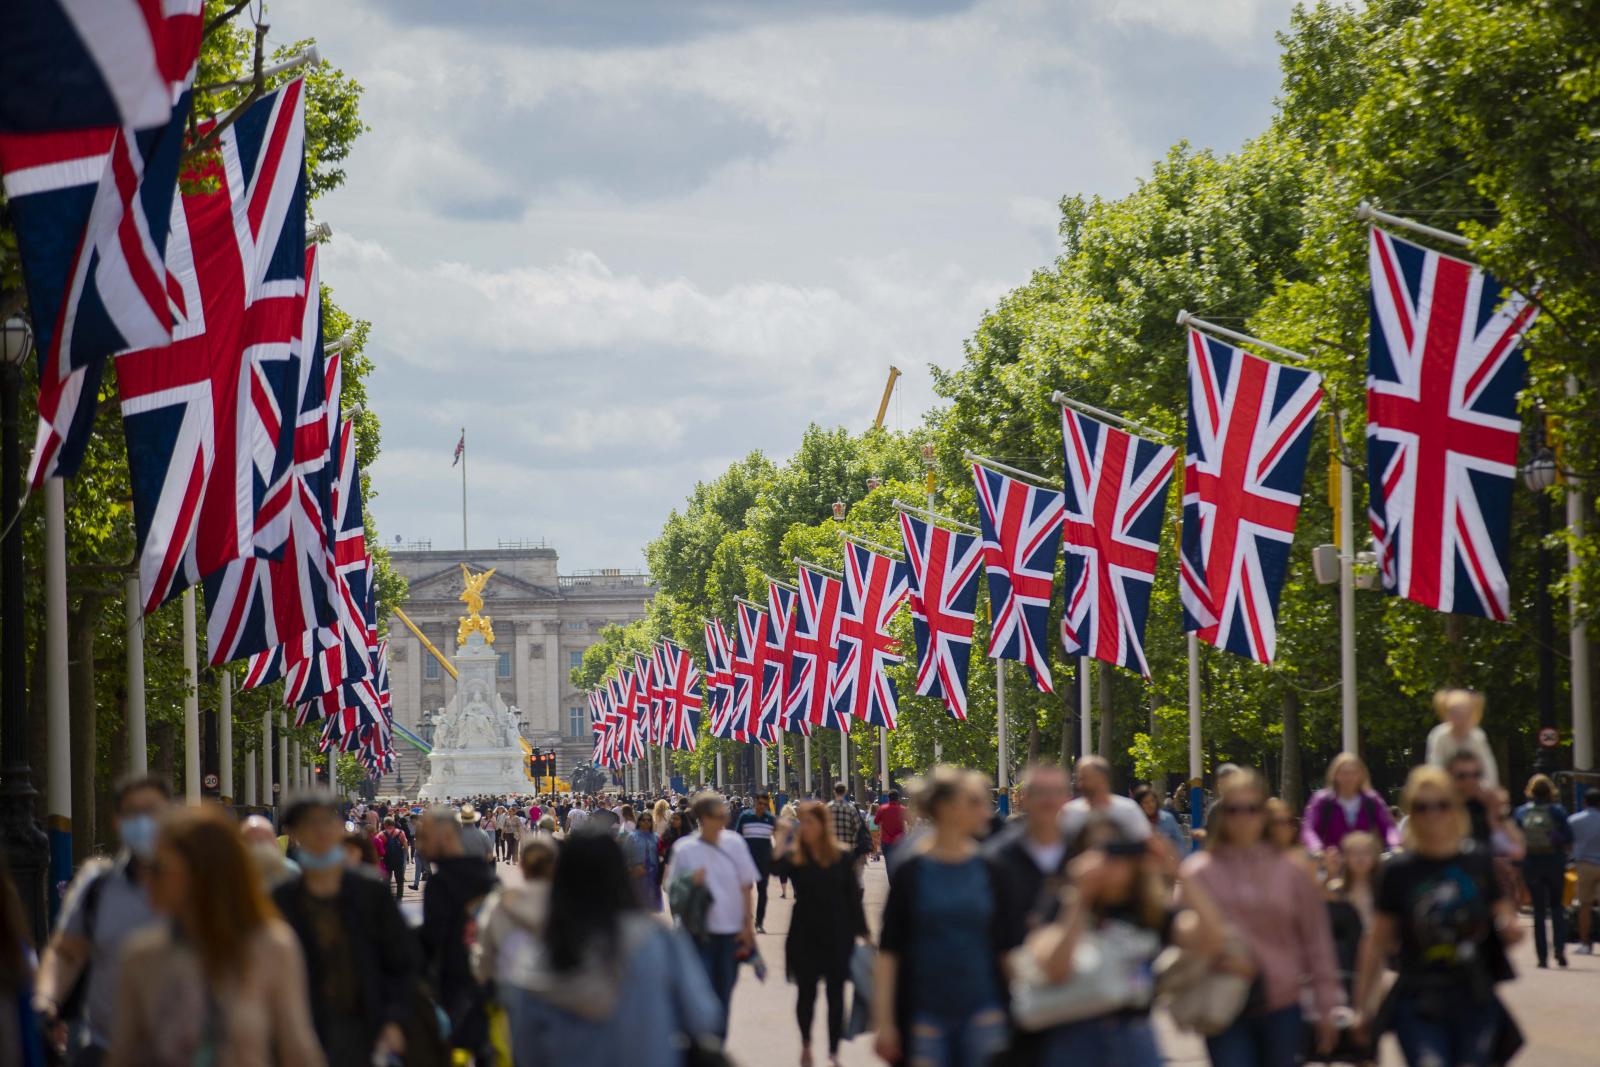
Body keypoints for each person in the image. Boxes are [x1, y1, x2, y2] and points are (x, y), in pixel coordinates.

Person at [105, 805, 325, 1067]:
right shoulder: (140, 957)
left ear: (200, 870)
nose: (146, 878)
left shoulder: (272, 947)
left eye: (157, 868)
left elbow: (297, 1049)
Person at [1355, 765, 1522, 1067]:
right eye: (1422, 807)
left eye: (1442, 805)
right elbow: (1376, 942)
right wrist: (1362, 1006)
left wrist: (1510, 929)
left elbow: (1504, 914)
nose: (1433, 814)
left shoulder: (1477, 860)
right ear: (1411, 813)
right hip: (1419, 999)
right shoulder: (1398, 871)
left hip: (1473, 996)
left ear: (1455, 809)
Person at [510, 832, 723, 1065]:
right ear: (620, 875)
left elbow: (525, 1052)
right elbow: (703, 1017)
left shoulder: (536, 955)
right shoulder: (657, 940)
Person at [1023, 822, 1223, 1065]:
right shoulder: (1063, 901)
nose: (1111, 865)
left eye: (1119, 853)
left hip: (1133, 1036)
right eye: (1101, 852)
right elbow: (1055, 969)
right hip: (1074, 1035)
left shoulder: (1148, 911)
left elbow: (1212, 939)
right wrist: (1080, 896)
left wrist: (1178, 871)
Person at [1179, 769, 1342, 1066]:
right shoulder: (1199, 872)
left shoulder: (1289, 871)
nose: (1243, 818)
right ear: (1221, 814)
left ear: (1264, 814)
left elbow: (1316, 940)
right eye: (1233, 809)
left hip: (1282, 1002)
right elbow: (1179, 934)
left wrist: (1327, 1004)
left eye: (1252, 809)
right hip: (1224, 1000)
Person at [874, 767, 1014, 1067]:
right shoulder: (911, 872)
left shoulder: (991, 869)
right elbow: (889, 951)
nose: (984, 811)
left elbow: (1005, 944)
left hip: (984, 1011)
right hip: (925, 1014)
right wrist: (885, 1022)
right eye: (973, 802)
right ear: (948, 809)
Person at [34, 774, 171, 1066]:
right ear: (117, 822)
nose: (144, 821)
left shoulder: (200, 886)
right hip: (105, 1050)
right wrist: (46, 1000)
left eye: (152, 811)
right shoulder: (97, 886)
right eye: (133, 813)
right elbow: (66, 953)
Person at [272, 794, 418, 1065]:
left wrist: (396, 1020)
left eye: (328, 822)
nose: (321, 831)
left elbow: (400, 960)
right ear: (293, 833)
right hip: (302, 1028)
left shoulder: (371, 891)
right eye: (310, 824)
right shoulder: (281, 899)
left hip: (364, 1023)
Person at [772, 801, 867, 1067]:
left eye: (810, 822)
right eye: (803, 822)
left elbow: (853, 900)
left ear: (823, 824)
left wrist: (865, 933)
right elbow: (774, 868)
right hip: (804, 933)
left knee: (836, 995)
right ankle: (806, 1044)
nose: (806, 827)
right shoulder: (796, 857)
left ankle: (834, 1051)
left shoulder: (843, 857)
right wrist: (780, 838)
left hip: (838, 933)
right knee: (807, 994)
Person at [664, 791, 759, 1038]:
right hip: (697, 934)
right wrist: (689, 880)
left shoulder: (735, 844)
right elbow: (671, 889)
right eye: (719, 816)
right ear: (703, 818)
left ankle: (716, 1047)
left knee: (723, 996)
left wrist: (748, 927)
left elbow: (746, 886)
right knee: (700, 997)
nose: (725, 820)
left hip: (730, 935)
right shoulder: (685, 849)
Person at [417, 805, 498, 1059]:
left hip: (455, 985)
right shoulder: (489, 880)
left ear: (446, 836)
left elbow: (434, 938)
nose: (419, 845)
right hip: (488, 985)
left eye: (424, 837)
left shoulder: (440, 884)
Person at [985, 763, 1072, 949]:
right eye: (1040, 792)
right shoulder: (997, 857)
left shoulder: (1082, 852)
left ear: (1067, 798)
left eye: (1057, 792)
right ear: (1024, 798)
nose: (1049, 800)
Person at [1513, 773, 1571, 968]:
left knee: (1538, 911)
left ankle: (1541, 957)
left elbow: (1515, 839)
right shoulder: (1557, 811)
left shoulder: (1521, 812)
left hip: (1531, 865)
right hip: (1554, 863)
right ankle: (1560, 949)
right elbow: (1568, 837)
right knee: (1557, 907)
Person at [1300, 752, 1401, 854]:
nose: (1349, 777)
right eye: (1344, 773)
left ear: (1361, 775)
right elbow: (1309, 829)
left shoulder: (1371, 800)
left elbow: (1388, 828)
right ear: (1334, 775)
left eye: (1354, 773)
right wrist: (1316, 848)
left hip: (1364, 862)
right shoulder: (1322, 800)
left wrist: (1395, 845)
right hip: (1332, 862)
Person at [1060, 756, 1150, 846]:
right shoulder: (1069, 812)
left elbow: (1146, 845)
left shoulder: (1128, 810)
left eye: (1085, 778)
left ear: (1102, 778)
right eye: (1080, 779)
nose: (1080, 784)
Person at [1425, 689, 1500, 789]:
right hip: (1446, 787)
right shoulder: (1439, 735)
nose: (1460, 718)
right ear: (1446, 714)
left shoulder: (1477, 735)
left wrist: (1486, 789)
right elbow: (1434, 766)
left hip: (1474, 787)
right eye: (1455, 713)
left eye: (1464, 713)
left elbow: (1488, 767)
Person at [733, 792, 777, 932]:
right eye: (760, 803)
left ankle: (759, 923)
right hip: (746, 860)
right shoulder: (745, 817)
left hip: (764, 861)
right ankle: (745, 918)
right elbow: (737, 837)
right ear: (755, 803)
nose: (762, 807)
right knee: (744, 890)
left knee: (762, 891)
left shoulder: (770, 819)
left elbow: (777, 838)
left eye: (765, 804)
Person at [828, 782, 868, 881]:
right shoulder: (851, 809)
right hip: (848, 848)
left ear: (834, 792)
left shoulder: (827, 808)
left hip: (832, 848)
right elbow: (857, 826)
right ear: (845, 792)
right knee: (848, 875)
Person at [625, 812, 662, 911]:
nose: (646, 822)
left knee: (651, 903)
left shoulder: (656, 837)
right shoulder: (632, 836)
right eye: (643, 820)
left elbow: (661, 854)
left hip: (653, 872)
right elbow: (626, 854)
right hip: (636, 871)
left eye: (649, 820)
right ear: (639, 821)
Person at [1133, 784, 1186, 852]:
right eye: (1145, 802)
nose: (1150, 805)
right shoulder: (1134, 822)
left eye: (1152, 801)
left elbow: (1180, 843)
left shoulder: (1168, 819)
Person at [377, 816, 409, 899]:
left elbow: (377, 847)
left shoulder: (381, 834)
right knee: (399, 880)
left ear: (385, 824)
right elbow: (405, 845)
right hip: (398, 859)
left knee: (386, 880)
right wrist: (405, 855)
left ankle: (387, 897)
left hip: (386, 860)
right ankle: (399, 897)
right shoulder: (400, 832)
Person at [877, 789, 907, 867]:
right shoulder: (903, 809)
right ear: (898, 798)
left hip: (885, 840)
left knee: (888, 863)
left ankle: (891, 878)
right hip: (900, 841)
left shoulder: (882, 809)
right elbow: (911, 822)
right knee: (900, 863)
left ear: (888, 798)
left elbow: (876, 821)